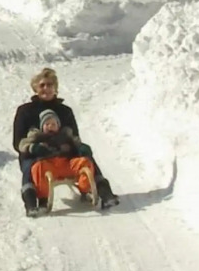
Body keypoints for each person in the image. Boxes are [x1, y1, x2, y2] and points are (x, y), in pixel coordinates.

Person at [13, 67, 119, 214]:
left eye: (50, 85)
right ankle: (33, 203)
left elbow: (74, 136)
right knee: (31, 166)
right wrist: (33, 148)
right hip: (36, 153)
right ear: (35, 88)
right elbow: (17, 141)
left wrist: (78, 148)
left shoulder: (65, 111)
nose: (46, 88)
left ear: (55, 88)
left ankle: (103, 192)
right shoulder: (25, 111)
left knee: (86, 158)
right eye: (42, 85)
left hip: (63, 153)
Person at [18, 111, 97, 212]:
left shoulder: (65, 135)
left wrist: (82, 148)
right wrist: (33, 147)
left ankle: (86, 190)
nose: (50, 126)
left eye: (53, 124)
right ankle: (43, 199)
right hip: (49, 166)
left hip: (67, 164)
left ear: (58, 126)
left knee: (84, 162)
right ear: (42, 126)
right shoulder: (37, 136)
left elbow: (77, 142)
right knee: (38, 167)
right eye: (47, 124)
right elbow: (22, 145)